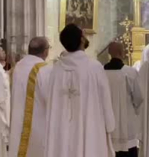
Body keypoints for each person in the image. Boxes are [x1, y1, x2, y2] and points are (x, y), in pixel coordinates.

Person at [45, 24, 115, 157]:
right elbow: (105, 100)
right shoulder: (94, 68)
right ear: (82, 39)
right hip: (90, 129)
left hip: (61, 133)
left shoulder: (56, 70)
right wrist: (110, 125)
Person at [9, 37, 51, 157]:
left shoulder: (18, 66)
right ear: (45, 51)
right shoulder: (44, 69)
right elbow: (50, 98)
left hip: (17, 116)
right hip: (38, 119)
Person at [104, 42, 143, 157]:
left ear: (109, 53)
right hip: (126, 122)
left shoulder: (100, 71)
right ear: (122, 53)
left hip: (106, 122)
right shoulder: (130, 72)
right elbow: (139, 97)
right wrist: (135, 111)